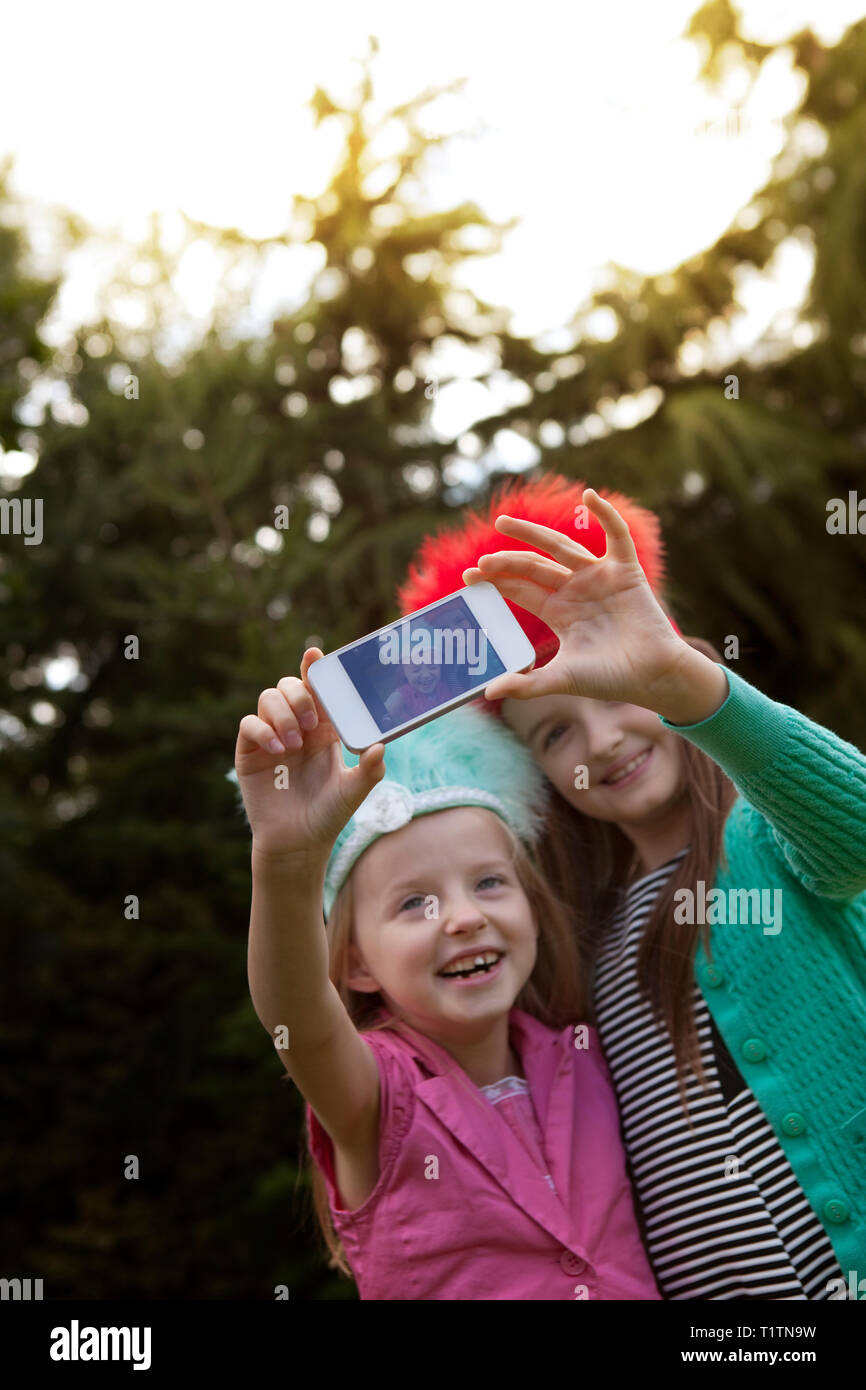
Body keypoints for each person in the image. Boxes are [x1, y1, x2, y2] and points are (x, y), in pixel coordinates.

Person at [396, 472, 866, 1300]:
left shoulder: (768, 835)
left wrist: (682, 683)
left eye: (624, 695)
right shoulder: (583, 937)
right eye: (556, 732)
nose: (604, 741)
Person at [233, 682, 661, 1300]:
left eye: (489, 883)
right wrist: (286, 860)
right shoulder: (374, 1096)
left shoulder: (586, 1050)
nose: (463, 918)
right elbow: (297, 1019)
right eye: (415, 903)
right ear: (356, 963)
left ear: (532, 908)